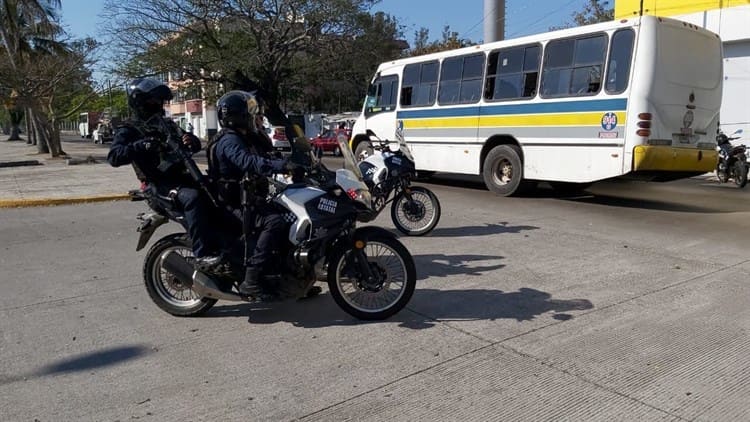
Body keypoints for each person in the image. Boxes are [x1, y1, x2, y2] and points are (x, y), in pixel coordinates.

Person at [107, 78, 222, 270]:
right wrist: (141, 145)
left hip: (183, 178)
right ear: (140, 101)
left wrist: (191, 140)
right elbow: (114, 156)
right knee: (193, 199)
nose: (158, 104)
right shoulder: (130, 129)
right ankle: (202, 255)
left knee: (221, 188)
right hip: (158, 186)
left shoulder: (166, 124)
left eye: (160, 101)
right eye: (154, 100)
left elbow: (191, 143)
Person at [207, 90, 288, 296]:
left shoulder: (245, 136)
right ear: (238, 117)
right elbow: (248, 162)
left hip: (250, 197)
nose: (255, 118)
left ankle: (290, 277)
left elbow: (265, 154)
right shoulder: (229, 141)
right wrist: (281, 166)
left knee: (289, 215)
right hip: (233, 203)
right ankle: (252, 277)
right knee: (274, 222)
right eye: (251, 114)